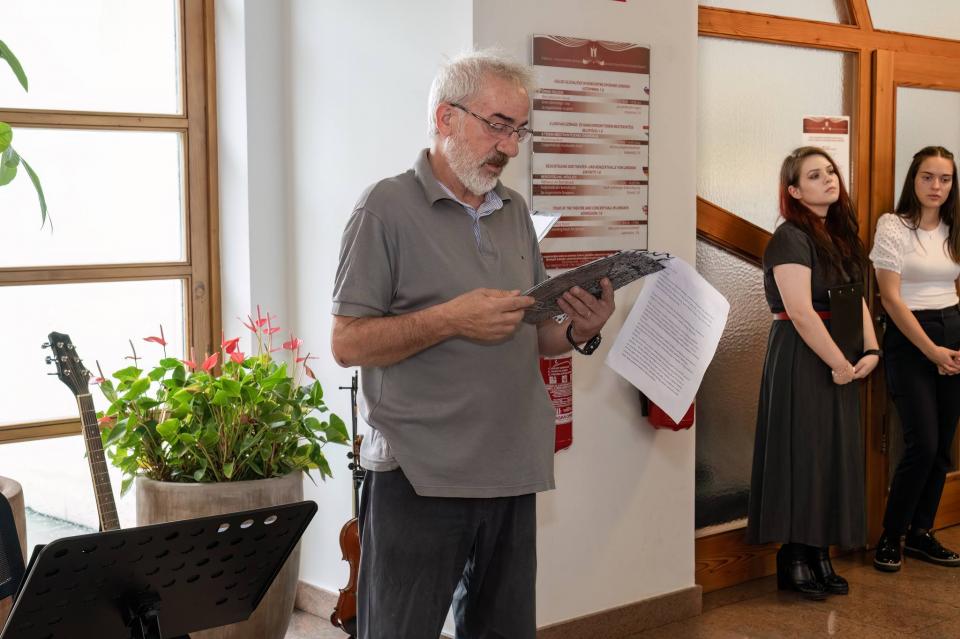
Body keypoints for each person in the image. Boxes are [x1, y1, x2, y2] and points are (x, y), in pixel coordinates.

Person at [330, 50, 615, 639]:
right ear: (446, 118)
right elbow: (347, 343)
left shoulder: (514, 211)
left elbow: (536, 333)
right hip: (418, 473)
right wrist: (451, 319)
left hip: (510, 467)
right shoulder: (383, 208)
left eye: (519, 130)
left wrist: (579, 330)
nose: (510, 147)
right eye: (498, 125)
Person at [747, 147, 880, 600]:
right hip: (802, 355)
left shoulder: (840, 235)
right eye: (814, 175)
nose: (828, 179)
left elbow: (856, 298)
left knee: (831, 454)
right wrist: (839, 363)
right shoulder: (789, 237)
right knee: (802, 451)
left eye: (830, 171)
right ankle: (795, 556)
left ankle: (820, 551)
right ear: (794, 191)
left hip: (839, 353)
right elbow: (801, 312)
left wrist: (872, 349)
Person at [870, 146, 960, 573]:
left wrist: (951, 347)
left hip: (953, 333)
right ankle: (891, 536)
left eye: (945, 179)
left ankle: (922, 533)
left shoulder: (954, 227)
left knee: (942, 447)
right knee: (921, 444)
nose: (936, 186)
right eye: (928, 177)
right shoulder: (893, 225)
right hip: (911, 339)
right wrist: (931, 350)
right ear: (913, 179)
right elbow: (890, 298)